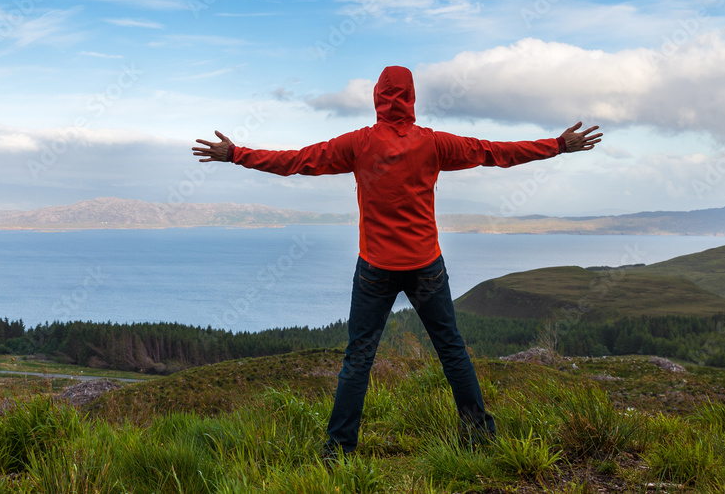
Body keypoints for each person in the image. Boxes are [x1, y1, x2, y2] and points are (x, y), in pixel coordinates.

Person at [192, 65, 601, 458]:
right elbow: (495, 152)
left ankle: (339, 451)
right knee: (452, 350)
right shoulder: (434, 142)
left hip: (375, 268)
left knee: (358, 358)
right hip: (427, 265)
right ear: (412, 99)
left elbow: (297, 161)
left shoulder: (358, 143)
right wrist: (558, 145)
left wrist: (237, 154)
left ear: (377, 100)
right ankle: (477, 436)